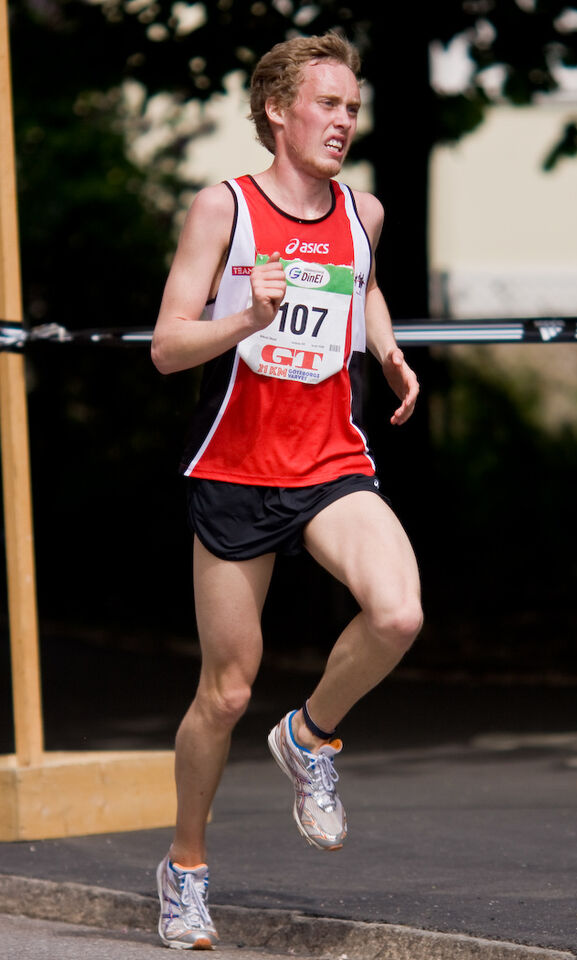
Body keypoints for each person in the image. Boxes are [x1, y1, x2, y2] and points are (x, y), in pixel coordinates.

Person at [151, 30, 423, 950]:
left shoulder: (362, 211)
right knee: (226, 694)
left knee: (398, 613)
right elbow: (167, 347)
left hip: (330, 459)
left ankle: (309, 737)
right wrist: (246, 317)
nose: (345, 121)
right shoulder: (222, 208)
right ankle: (186, 869)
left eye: (353, 108)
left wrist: (386, 348)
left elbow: (359, 285)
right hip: (234, 467)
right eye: (328, 105)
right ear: (278, 111)